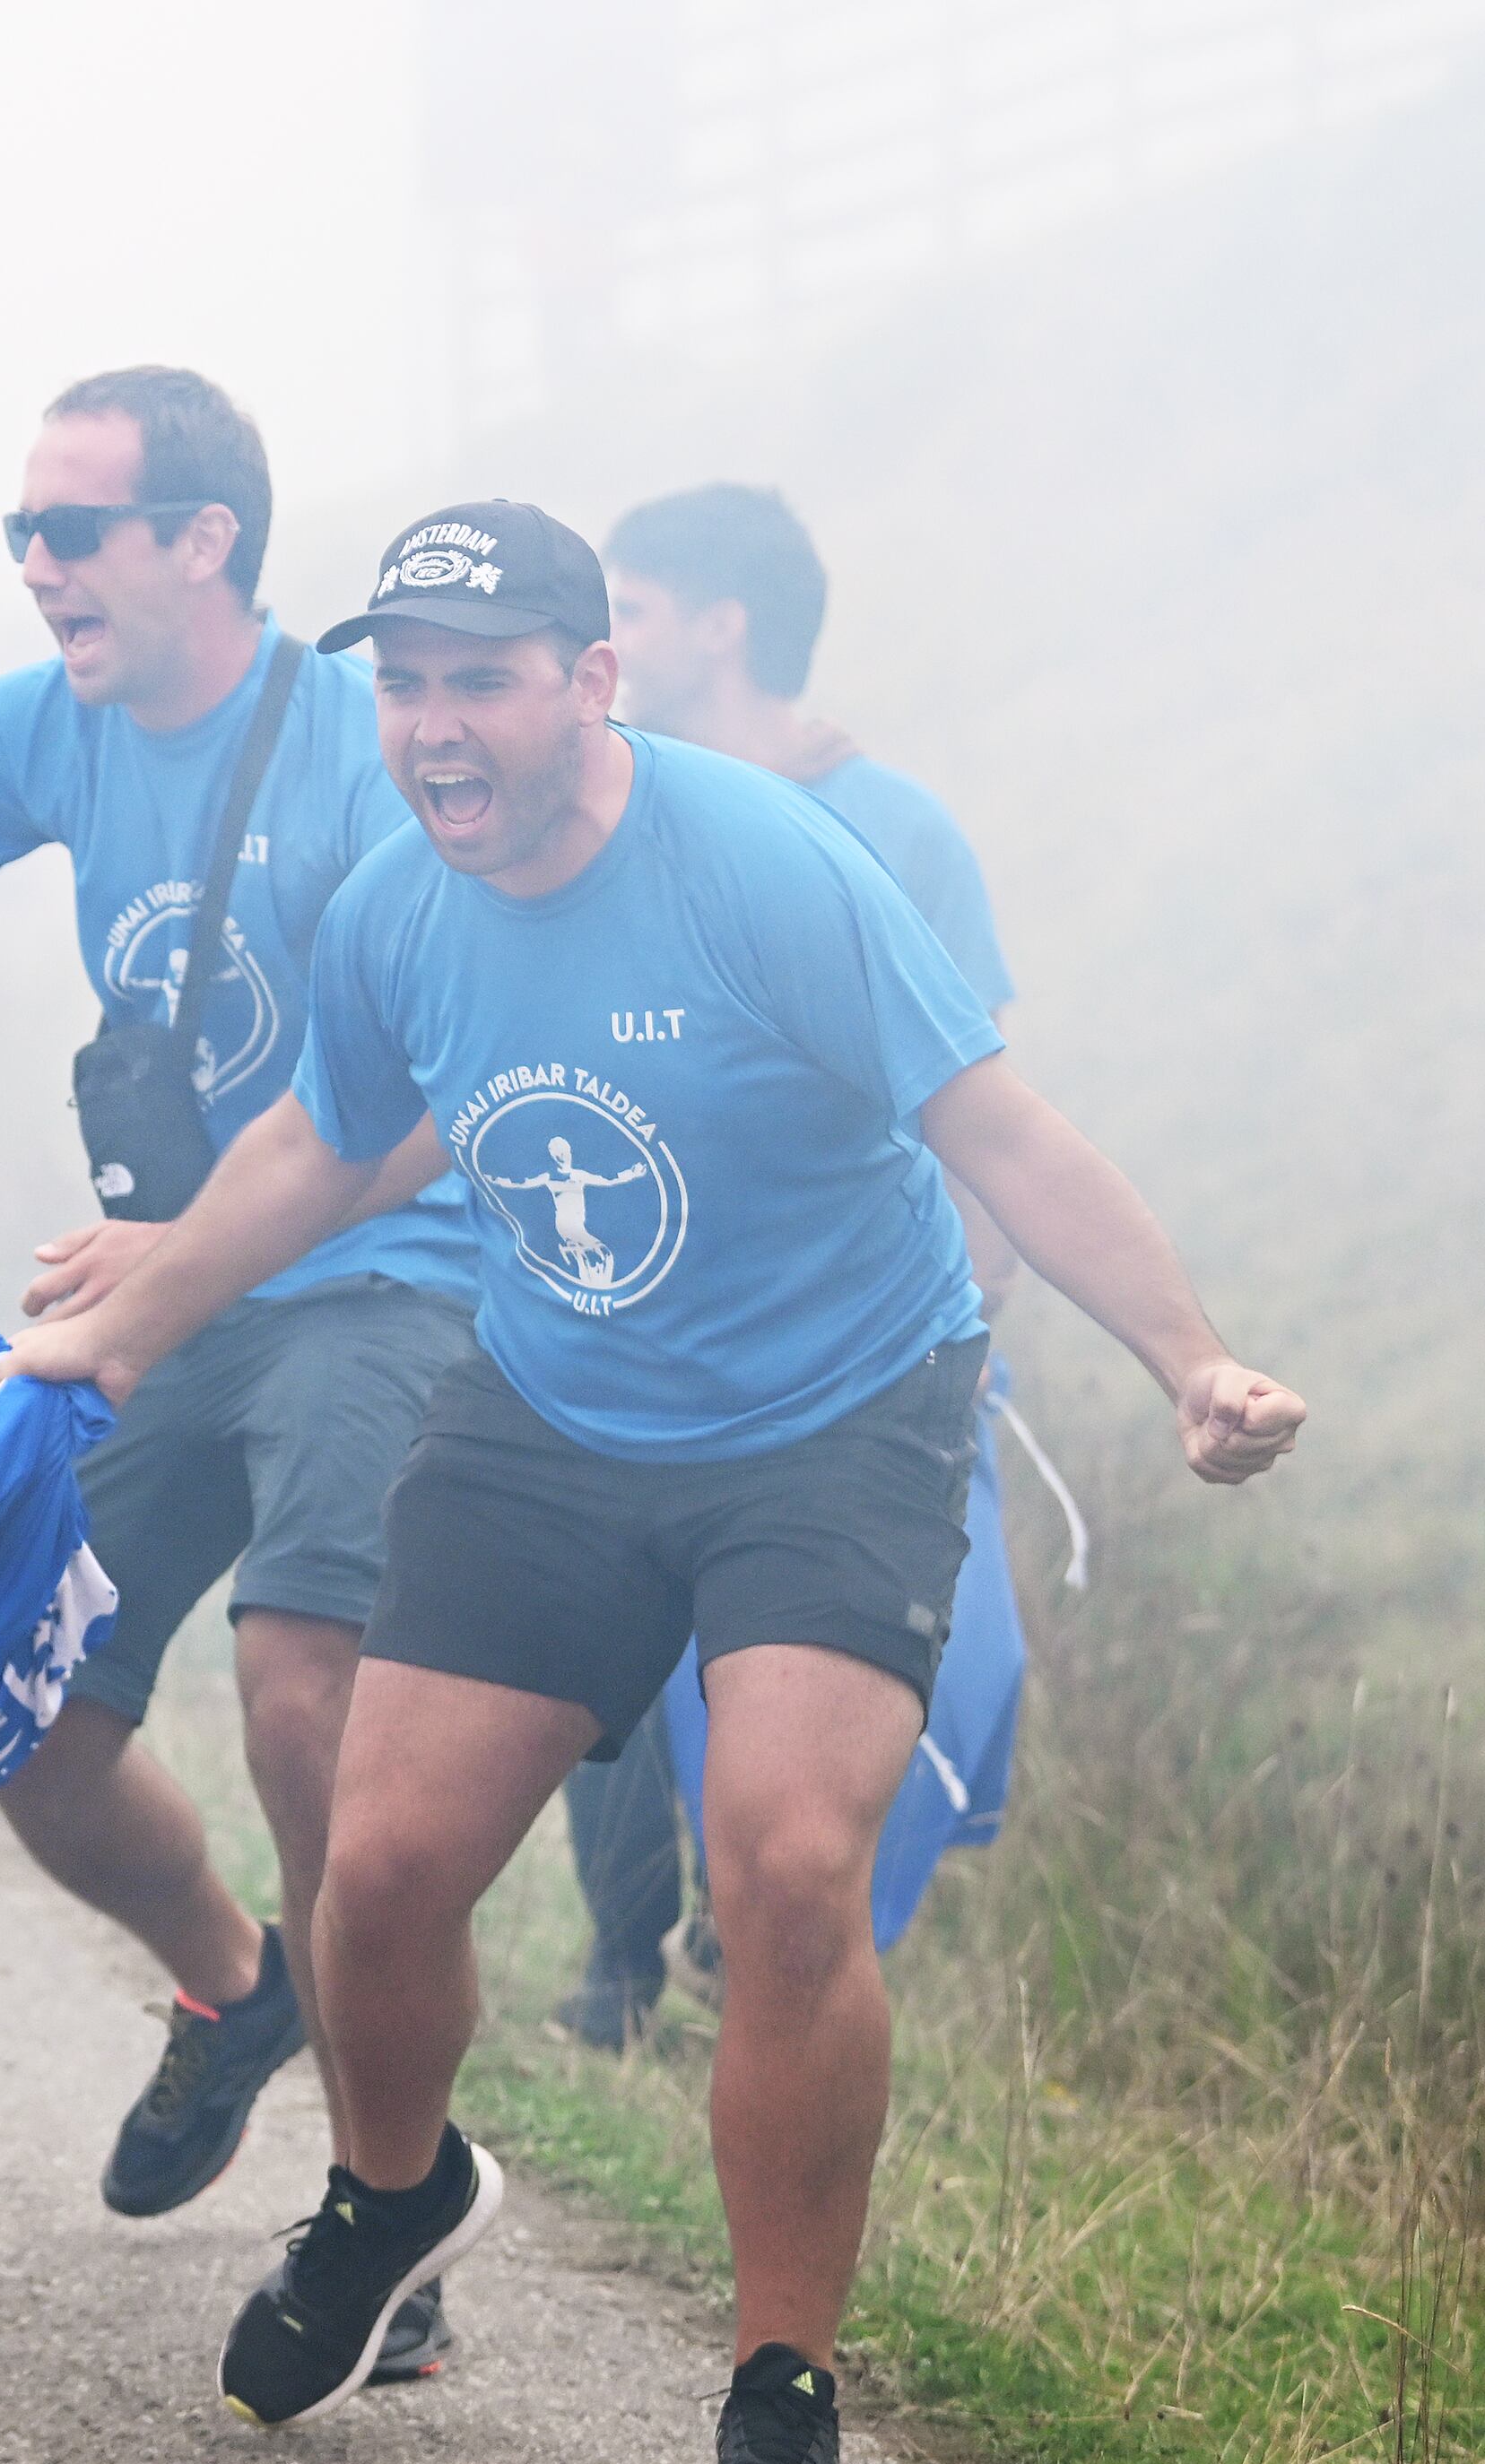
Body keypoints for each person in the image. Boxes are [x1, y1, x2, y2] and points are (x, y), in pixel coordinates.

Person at [0, 499, 1304, 2464]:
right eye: (403, 685)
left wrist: (1190, 1359)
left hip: (834, 1415)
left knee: (783, 1864)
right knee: (383, 1863)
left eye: (481, 681)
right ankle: (392, 2192)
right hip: (552, 1413)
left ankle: (780, 2388)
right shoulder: (396, 908)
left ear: (590, 681)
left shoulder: (765, 864)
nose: (434, 727)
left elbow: (994, 1124)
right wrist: (117, 1330)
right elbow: (319, 1146)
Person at [0, 366, 477, 2354]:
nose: (37, 565)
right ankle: (238, 1984)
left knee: (302, 1693)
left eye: (72, 529)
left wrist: (200, 1238)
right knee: (19, 1708)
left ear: (204, 540)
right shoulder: (45, 727)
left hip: (388, 1276)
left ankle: (381, 2201)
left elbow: (459, 1071)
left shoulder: (355, 746)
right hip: (177, 1299)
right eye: (21, 531)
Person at [560, 482, 1035, 2044]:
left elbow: (981, 1108)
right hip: (641, 1325)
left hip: (864, 1344)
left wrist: (965, 1330)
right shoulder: (599, 806)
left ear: (723, 625)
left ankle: (771, 1946)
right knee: (615, 1655)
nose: (600, 646)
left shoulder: (899, 829)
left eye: (628, 610)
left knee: (946, 1662)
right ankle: (627, 1960)